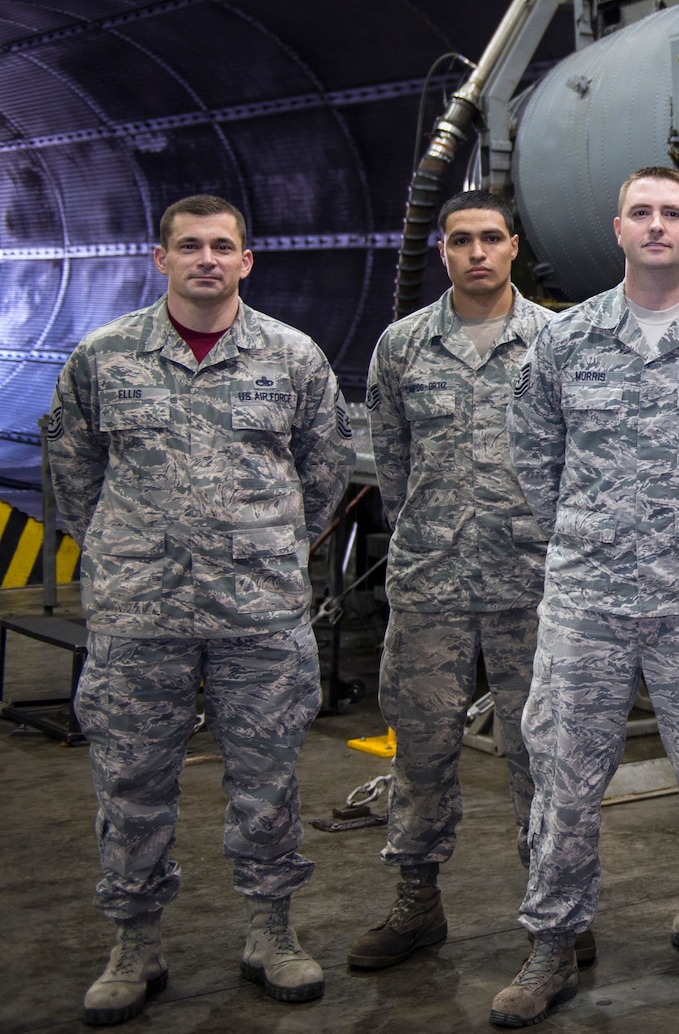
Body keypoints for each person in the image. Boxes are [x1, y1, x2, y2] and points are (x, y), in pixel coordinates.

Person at [496, 167, 679, 1027]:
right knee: (563, 777)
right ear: (618, 228)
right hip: (587, 602)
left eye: (672, 213)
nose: (657, 225)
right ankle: (552, 940)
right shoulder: (567, 339)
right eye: (641, 213)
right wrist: (592, 538)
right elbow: (536, 455)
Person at [47, 194, 353, 1025]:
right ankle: (134, 942)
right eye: (190, 246)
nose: (207, 259)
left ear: (246, 262)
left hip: (259, 616)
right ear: (162, 258)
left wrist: (267, 549)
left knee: (268, 783)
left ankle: (271, 931)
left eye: (223, 246)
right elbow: (74, 478)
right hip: (139, 617)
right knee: (131, 783)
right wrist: (130, 550)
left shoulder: (292, 358)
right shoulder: (104, 358)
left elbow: (323, 476)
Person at [348, 191, 567, 971]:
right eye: (460, 239)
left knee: (541, 753)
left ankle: (556, 908)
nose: (477, 251)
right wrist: (434, 532)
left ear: (514, 246)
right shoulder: (402, 346)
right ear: (442, 250)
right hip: (431, 584)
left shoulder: (556, 341)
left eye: (491, 238)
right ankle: (416, 904)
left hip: (535, 585)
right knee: (423, 748)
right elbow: (393, 467)